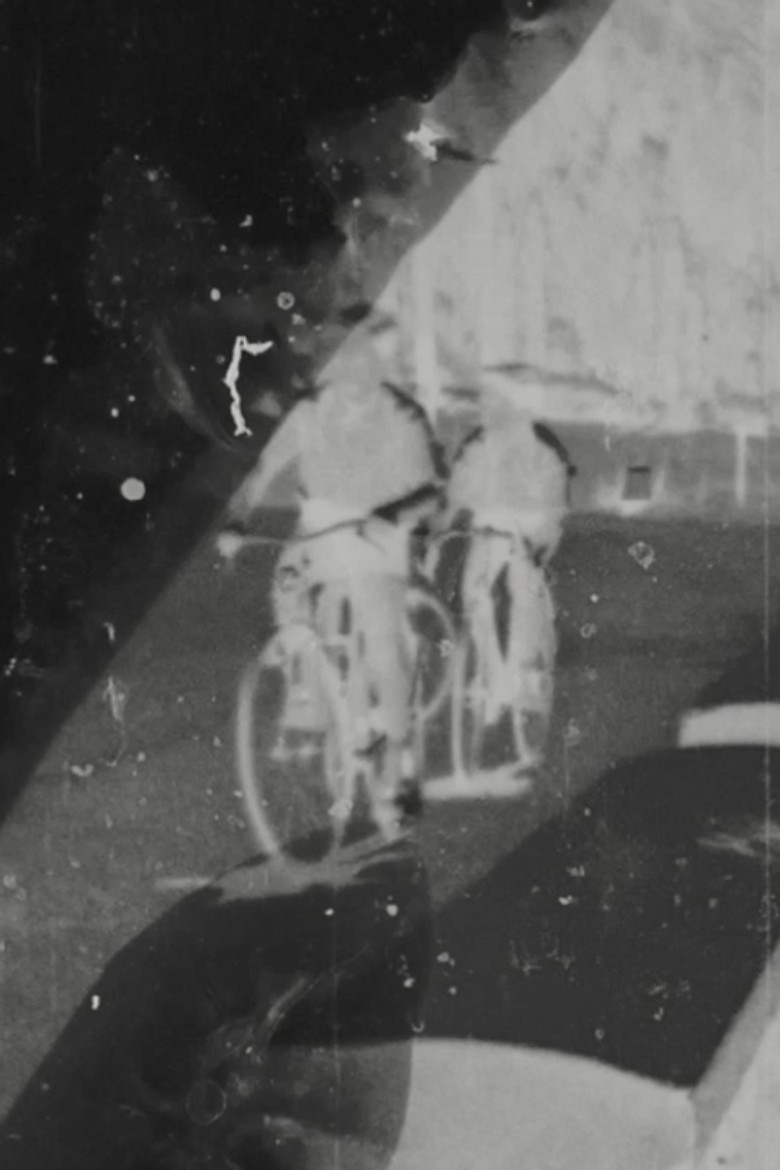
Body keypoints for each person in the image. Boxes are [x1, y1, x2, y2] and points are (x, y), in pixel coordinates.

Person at [219, 375, 444, 826]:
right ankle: (310, 691)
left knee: (381, 639)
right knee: (290, 588)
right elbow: (262, 470)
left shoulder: (397, 415)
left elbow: (433, 489)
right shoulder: (308, 415)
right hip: (321, 531)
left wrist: (394, 515)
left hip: (378, 532)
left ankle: (400, 755)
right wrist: (237, 519)